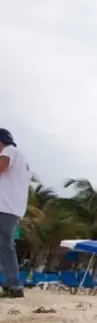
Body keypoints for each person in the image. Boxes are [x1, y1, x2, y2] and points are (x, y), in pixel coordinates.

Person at [0, 128, 32, 298]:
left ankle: (13, 284)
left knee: (5, 245)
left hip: (6, 207)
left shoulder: (9, 150)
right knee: (4, 245)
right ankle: (10, 283)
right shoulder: (21, 158)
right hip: (12, 207)